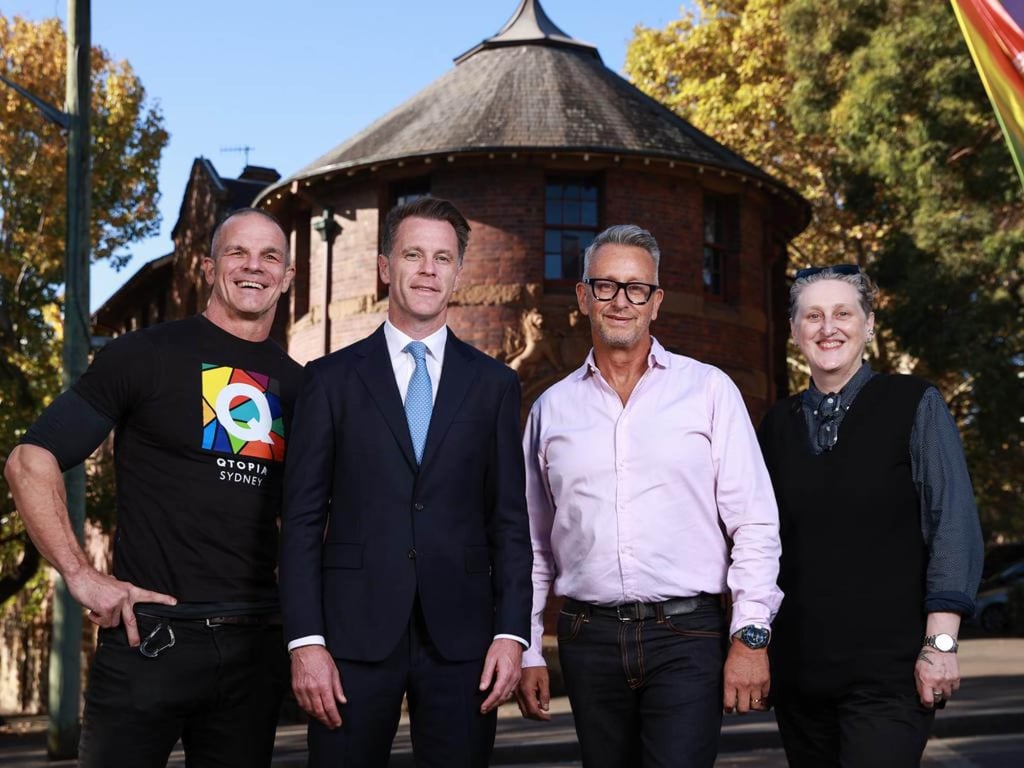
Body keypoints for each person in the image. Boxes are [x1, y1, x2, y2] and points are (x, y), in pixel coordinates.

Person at [4, 208, 302, 767]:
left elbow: (312, 520)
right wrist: (80, 574)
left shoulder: (302, 386)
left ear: (288, 277)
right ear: (208, 266)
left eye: (270, 257)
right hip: (149, 641)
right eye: (238, 253)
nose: (253, 267)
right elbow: (29, 460)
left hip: (252, 650)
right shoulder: (143, 356)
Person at [515, 224, 783, 768]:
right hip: (587, 637)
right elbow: (532, 545)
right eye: (607, 286)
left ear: (656, 302)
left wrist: (750, 635)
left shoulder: (709, 391)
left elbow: (754, 522)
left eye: (637, 288)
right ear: (584, 296)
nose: (621, 301)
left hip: (687, 635)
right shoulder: (550, 411)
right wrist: (525, 646)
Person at [279, 196, 533, 767]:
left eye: (442, 258)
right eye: (413, 254)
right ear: (384, 267)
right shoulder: (329, 381)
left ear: (458, 273)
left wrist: (512, 634)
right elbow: (299, 522)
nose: (427, 270)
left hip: (465, 640)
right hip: (350, 638)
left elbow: (510, 523)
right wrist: (306, 641)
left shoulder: (493, 384)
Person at [757, 264, 984, 768]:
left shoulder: (914, 403)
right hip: (800, 677)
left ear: (869, 325)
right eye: (812, 316)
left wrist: (941, 643)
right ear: (795, 331)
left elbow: (954, 526)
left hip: (890, 678)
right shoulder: (775, 426)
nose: (827, 327)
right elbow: (758, 544)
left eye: (843, 313)